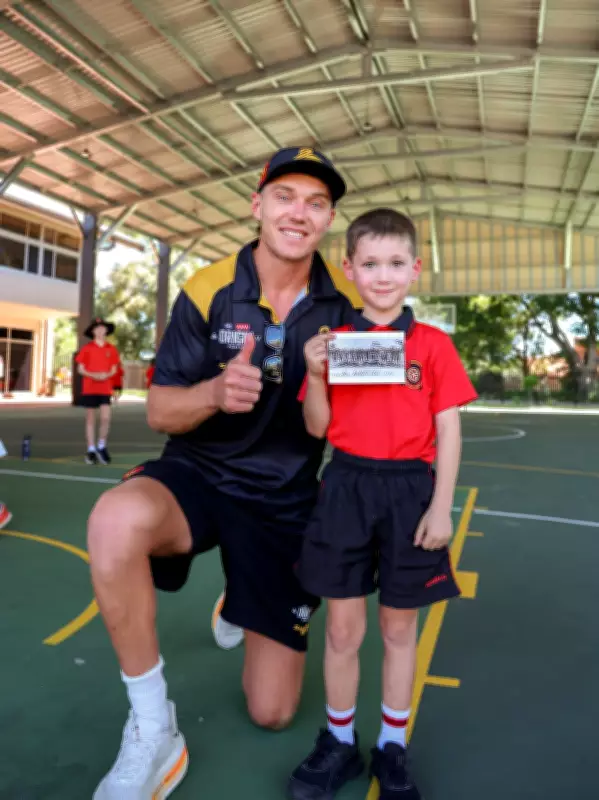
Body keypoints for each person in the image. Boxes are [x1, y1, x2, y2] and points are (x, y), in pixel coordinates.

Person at [87, 147, 362, 800]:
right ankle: (154, 728)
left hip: (285, 502)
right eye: (286, 195)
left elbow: (352, 420)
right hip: (199, 478)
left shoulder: (346, 303)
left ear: (327, 220)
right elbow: (159, 409)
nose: (299, 211)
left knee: (272, 713)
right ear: (257, 205)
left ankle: (239, 594)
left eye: (316, 203)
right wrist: (212, 394)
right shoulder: (207, 287)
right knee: (114, 519)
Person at [288, 209, 478, 800]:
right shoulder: (335, 345)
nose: (383, 275)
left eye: (396, 264)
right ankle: (340, 741)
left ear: (415, 270)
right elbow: (317, 428)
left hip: (410, 492)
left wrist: (441, 507)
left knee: (399, 629)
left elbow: (448, 430)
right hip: (345, 487)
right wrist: (315, 373)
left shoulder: (433, 346)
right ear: (349, 270)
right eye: (370, 264)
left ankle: (392, 746)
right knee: (343, 631)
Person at [75, 318, 120, 465]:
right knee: (90, 419)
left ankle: (102, 446)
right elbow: (80, 369)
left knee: (106, 418)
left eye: (102, 328)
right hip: (90, 388)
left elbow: (114, 369)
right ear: (93, 331)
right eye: (97, 328)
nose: (100, 331)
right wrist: (93, 375)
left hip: (105, 388)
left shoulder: (111, 349)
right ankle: (91, 449)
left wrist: (105, 375)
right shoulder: (87, 349)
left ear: (106, 330)